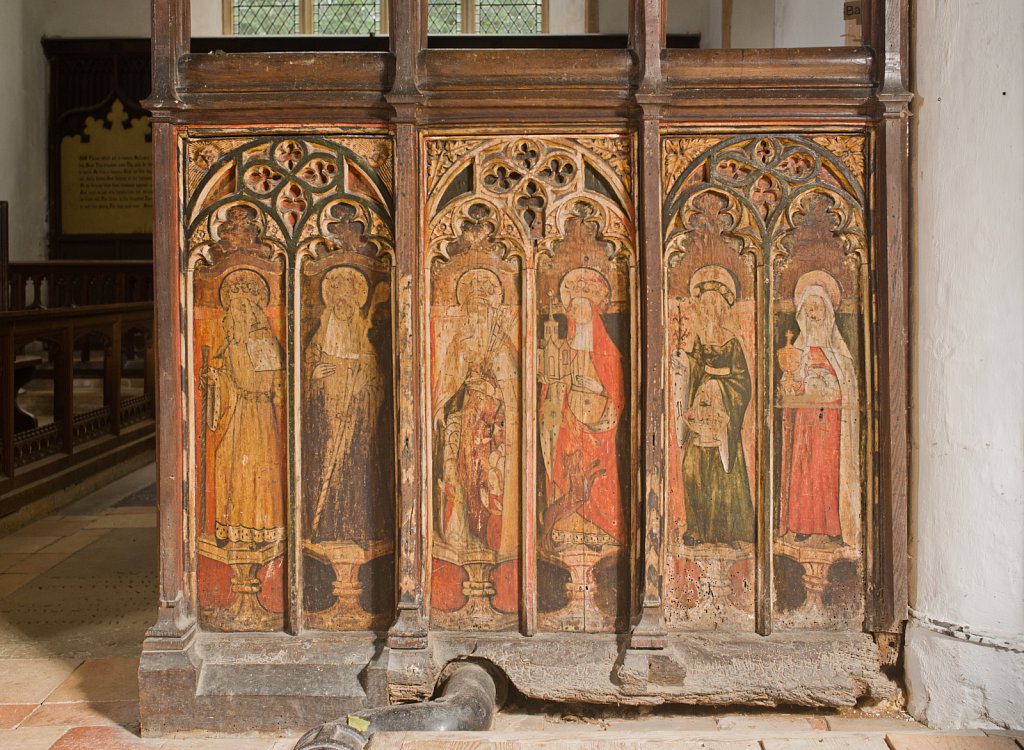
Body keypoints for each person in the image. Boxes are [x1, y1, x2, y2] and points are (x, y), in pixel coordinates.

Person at [433, 268, 520, 558]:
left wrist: (492, 390)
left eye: (482, 308)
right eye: (472, 308)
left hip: (495, 427)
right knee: (468, 475)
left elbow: (512, 393)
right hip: (470, 421)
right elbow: (447, 385)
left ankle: (490, 537)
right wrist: (442, 408)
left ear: (490, 310)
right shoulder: (461, 342)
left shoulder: (501, 346)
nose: (477, 314)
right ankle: (470, 536)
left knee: (489, 480)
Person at [305, 265, 389, 545]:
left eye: (348, 297)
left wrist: (363, 389)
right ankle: (324, 526)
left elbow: (376, 380)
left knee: (355, 462)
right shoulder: (322, 332)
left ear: (356, 302)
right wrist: (313, 373)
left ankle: (355, 527)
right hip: (325, 413)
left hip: (355, 416)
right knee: (324, 458)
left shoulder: (363, 337)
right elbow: (307, 365)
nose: (342, 302)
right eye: (337, 296)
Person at [541, 267, 625, 547]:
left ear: (593, 312)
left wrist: (597, 388)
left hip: (599, 427)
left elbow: (616, 396)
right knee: (569, 476)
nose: (578, 313)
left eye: (583, 308)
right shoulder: (564, 349)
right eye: (573, 308)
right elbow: (552, 385)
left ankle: (602, 530)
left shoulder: (607, 351)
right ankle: (566, 529)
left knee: (598, 479)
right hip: (569, 424)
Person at [204, 269, 286, 547]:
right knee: (231, 469)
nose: (238, 313)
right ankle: (230, 527)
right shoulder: (230, 344)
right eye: (234, 307)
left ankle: (260, 528)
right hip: (235, 414)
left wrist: (234, 381)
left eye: (244, 307)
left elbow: (266, 382)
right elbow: (228, 377)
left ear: (254, 311)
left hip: (257, 415)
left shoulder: (263, 340)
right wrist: (215, 379)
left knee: (257, 471)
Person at [779, 271, 860, 546]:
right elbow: (789, 383)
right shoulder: (798, 348)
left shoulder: (840, 353)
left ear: (827, 311)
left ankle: (832, 526)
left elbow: (847, 384)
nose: (813, 314)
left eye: (817, 307)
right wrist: (791, 383)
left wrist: (829, 385)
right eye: (809, 308)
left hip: (831, 421)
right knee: (805, 469)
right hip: (805, 420)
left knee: (827, 470)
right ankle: (802, 523)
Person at [679, 265, 755, 547]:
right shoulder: (699, 339)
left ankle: (725, 531)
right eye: (705, 306)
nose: (709, 311)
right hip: (701, 413)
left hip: (722, 416)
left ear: (723, 309)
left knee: (722, 472)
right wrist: (685, 362)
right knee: (692, 469)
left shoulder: (731, 341)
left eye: (714, 306)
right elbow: (696, 368)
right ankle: (697, 529)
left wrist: (718, 379)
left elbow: (742, 383)